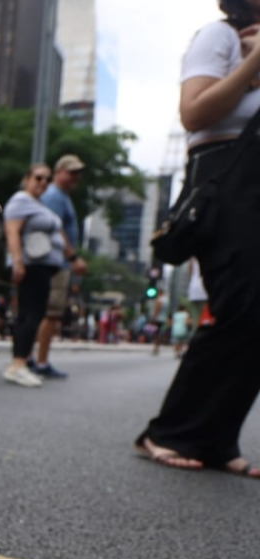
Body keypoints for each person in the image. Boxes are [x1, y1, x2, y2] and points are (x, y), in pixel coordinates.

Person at [135, 0, 260, 477]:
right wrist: (253, 62)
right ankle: (168, 431)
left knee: (257, 319)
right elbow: (193, 112)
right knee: (240, 307)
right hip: (227, 185)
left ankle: (217, 436)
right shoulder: (221, 36)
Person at [2, 163, 66, 388]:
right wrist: (17, 262)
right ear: (26, 179)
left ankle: (21, 362)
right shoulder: (21, 200)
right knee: (31, 314)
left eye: (47, 179)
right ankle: (18, 364)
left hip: (42, 267)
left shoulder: (37, 204)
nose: (43, 182)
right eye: (38, 177)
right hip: (31, 266)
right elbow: (12, 231)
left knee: (30, 314)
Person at [32, 153, 88, 379]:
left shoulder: (62, 196)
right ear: (58, 172)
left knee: (47, 312)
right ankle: (40, 361)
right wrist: (73, 258)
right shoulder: (55, 195)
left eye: (78, 173)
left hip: (55, 260)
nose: (76, 177)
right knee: (51, 312)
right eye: (71, 172)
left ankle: (34, 358)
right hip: (55, 261)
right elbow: (55, 228)